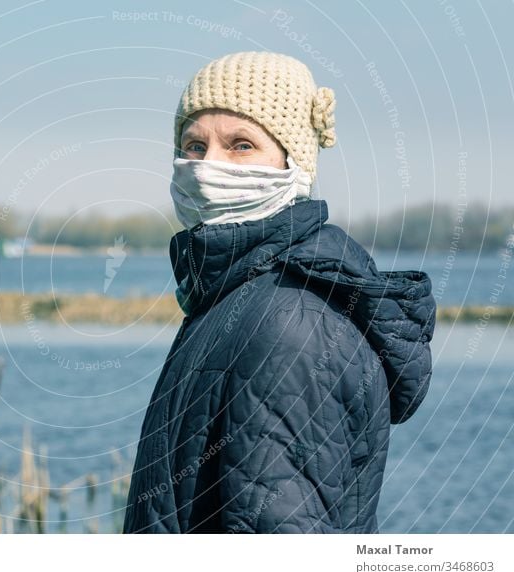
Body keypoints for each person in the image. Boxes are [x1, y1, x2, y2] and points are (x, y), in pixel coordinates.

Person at [122, 51, 436, 534]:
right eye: (194, 145)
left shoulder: (289, 324)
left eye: (241, 145)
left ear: (294, 165)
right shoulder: (235, 293)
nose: (208, 167)